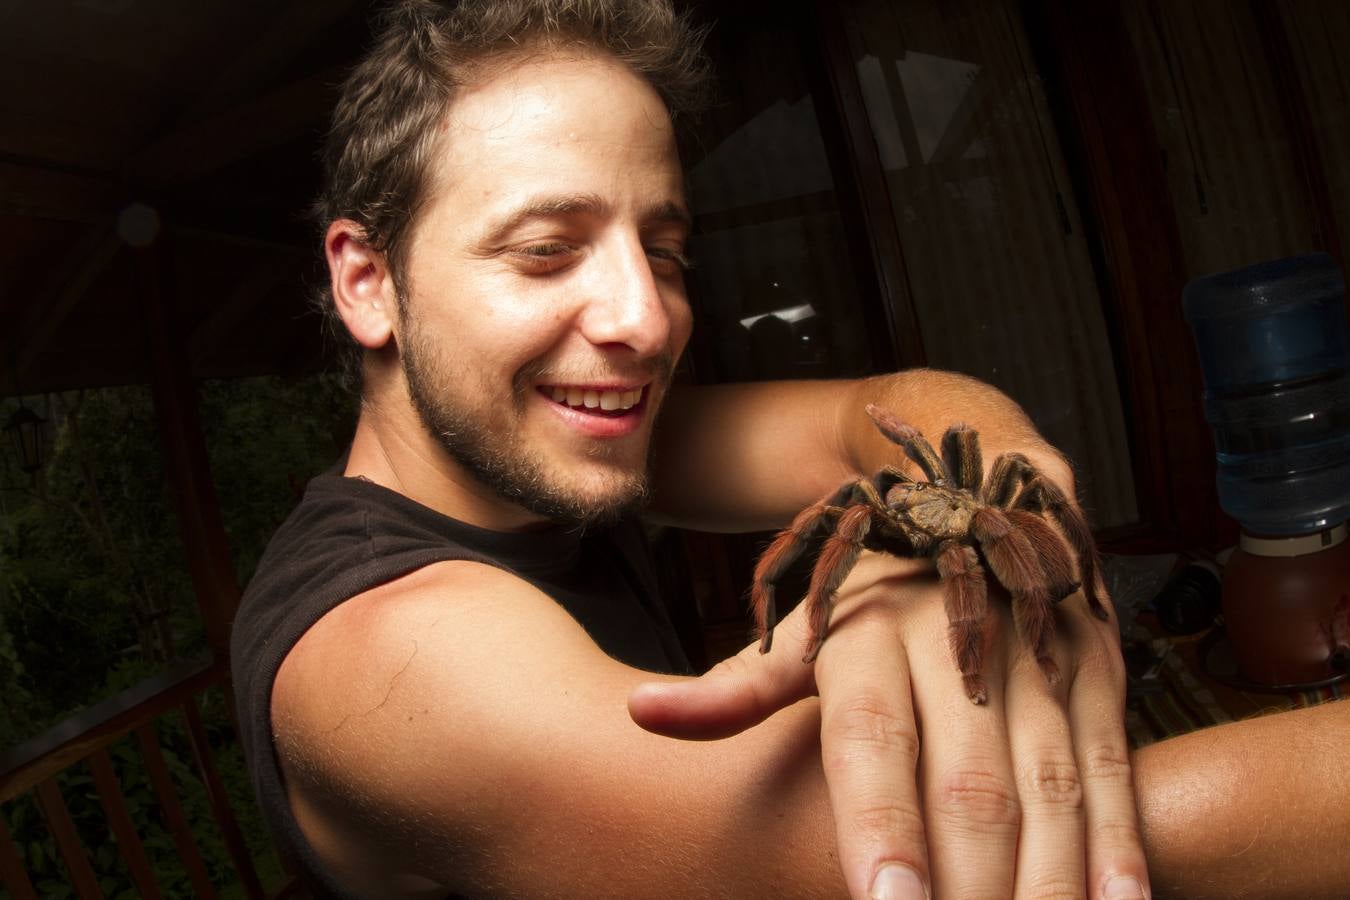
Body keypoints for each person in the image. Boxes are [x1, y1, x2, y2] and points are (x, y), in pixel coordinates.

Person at [230, 1, 1343, 897]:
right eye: (544, 251)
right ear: (368, 283)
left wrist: (1017, 503)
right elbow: (932, 859)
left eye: (663, 251)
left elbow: (881, 409)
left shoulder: (558, 444)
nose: (648, 318)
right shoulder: (381, 660)